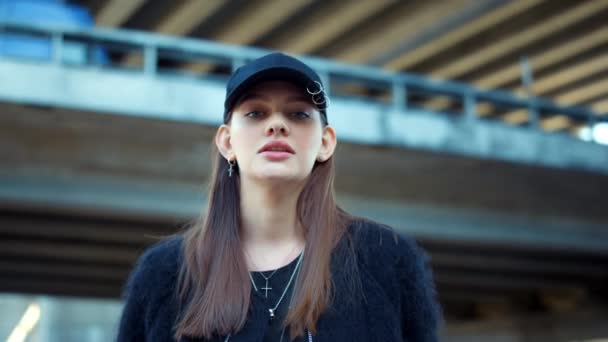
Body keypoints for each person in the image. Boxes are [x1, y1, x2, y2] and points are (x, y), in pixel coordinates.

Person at [117, 52, 442, 342]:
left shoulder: (386, 259)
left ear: (326, 142)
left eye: (299, 114)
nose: (276, 125)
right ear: (227, 141)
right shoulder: (165, 273)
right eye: (256, 113)